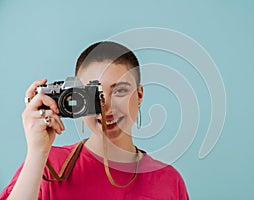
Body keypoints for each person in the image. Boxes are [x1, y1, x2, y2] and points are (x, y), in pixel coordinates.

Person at [0, 41, 189, 199]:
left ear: (139, 95)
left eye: (120, 90)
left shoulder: (169, 180)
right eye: (93, 94)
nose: (106, 107)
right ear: (77, 98)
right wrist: (37, 151)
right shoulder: (47, 165)